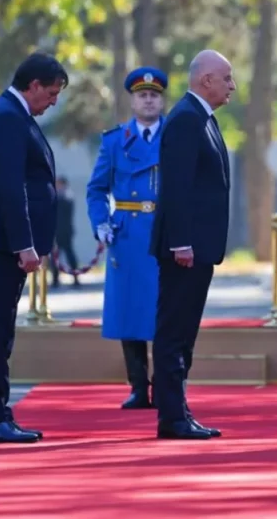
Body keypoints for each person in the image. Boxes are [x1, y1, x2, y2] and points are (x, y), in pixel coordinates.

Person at [0, 52, 69, 444]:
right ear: (34, 85)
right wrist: (24, 244)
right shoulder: (7, 117)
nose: (54, 101)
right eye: (52, 92)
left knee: (1, 330)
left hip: (2, 240)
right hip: (0, 241)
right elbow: (11, 187)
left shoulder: (14, 115)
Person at [149, 50, 236, 440]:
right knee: (173, 332)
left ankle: (180, 410)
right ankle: (171, 417)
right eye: (227, 78)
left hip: (198, 248)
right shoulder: (186, 119)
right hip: (184, 250)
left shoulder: (202, 118)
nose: (232, 86)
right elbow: (176, 189)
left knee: (185, 334)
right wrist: (180, 243)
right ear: (206, 81)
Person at [87, 67, 168, 409]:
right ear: (132, 101)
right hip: (128, 234)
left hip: (165, 231)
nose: (148, 100)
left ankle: (167, 386)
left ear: (162, 99)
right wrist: (101, 223)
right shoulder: (114, 141)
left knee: (166, 313)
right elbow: (96, 190)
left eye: (154, 95)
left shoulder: (176, 137)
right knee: (130, 312)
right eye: (141, 95)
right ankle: (138, 386)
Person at [51, 177, 80, 288]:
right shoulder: (64, 196)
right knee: (56, 256)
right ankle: (55, 279)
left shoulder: (66, 196)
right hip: (59, 230)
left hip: (64, 231)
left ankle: (75, 277)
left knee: (68, 255)